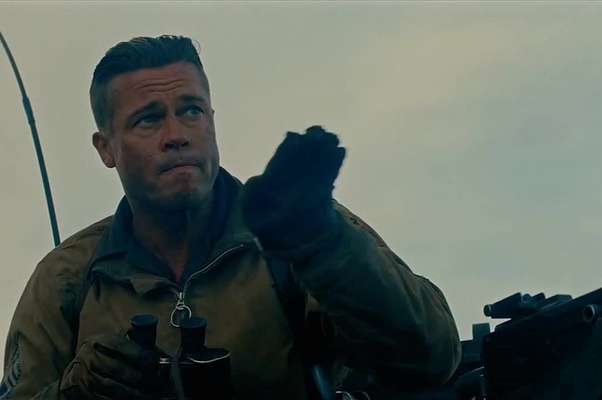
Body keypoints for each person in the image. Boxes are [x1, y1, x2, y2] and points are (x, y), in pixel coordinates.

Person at [0, 35, 461, 399]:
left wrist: (322, 245)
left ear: (212, 119)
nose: (177, 134)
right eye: (148, 119)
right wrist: (73, 392)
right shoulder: (67, 278)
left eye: (191, 110)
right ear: (106, 148)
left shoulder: (299, 229)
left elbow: (431, 358)